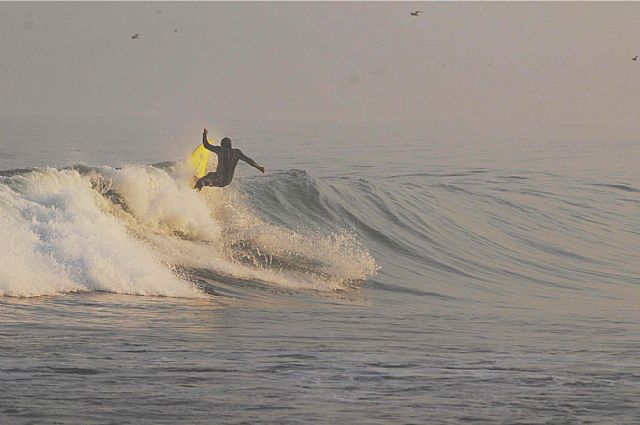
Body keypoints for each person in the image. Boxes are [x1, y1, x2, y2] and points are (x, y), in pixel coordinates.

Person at [195, 128, 265, 190]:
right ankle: (199, 179)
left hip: (220, 180)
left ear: (222, 145)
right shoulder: (237, 153)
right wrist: (259, 167)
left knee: (200, 182)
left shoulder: (220, 150)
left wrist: (204, 134)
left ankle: (194, 194)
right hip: (227, 181)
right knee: (210, 174)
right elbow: (249, 160)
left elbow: (206, 145)